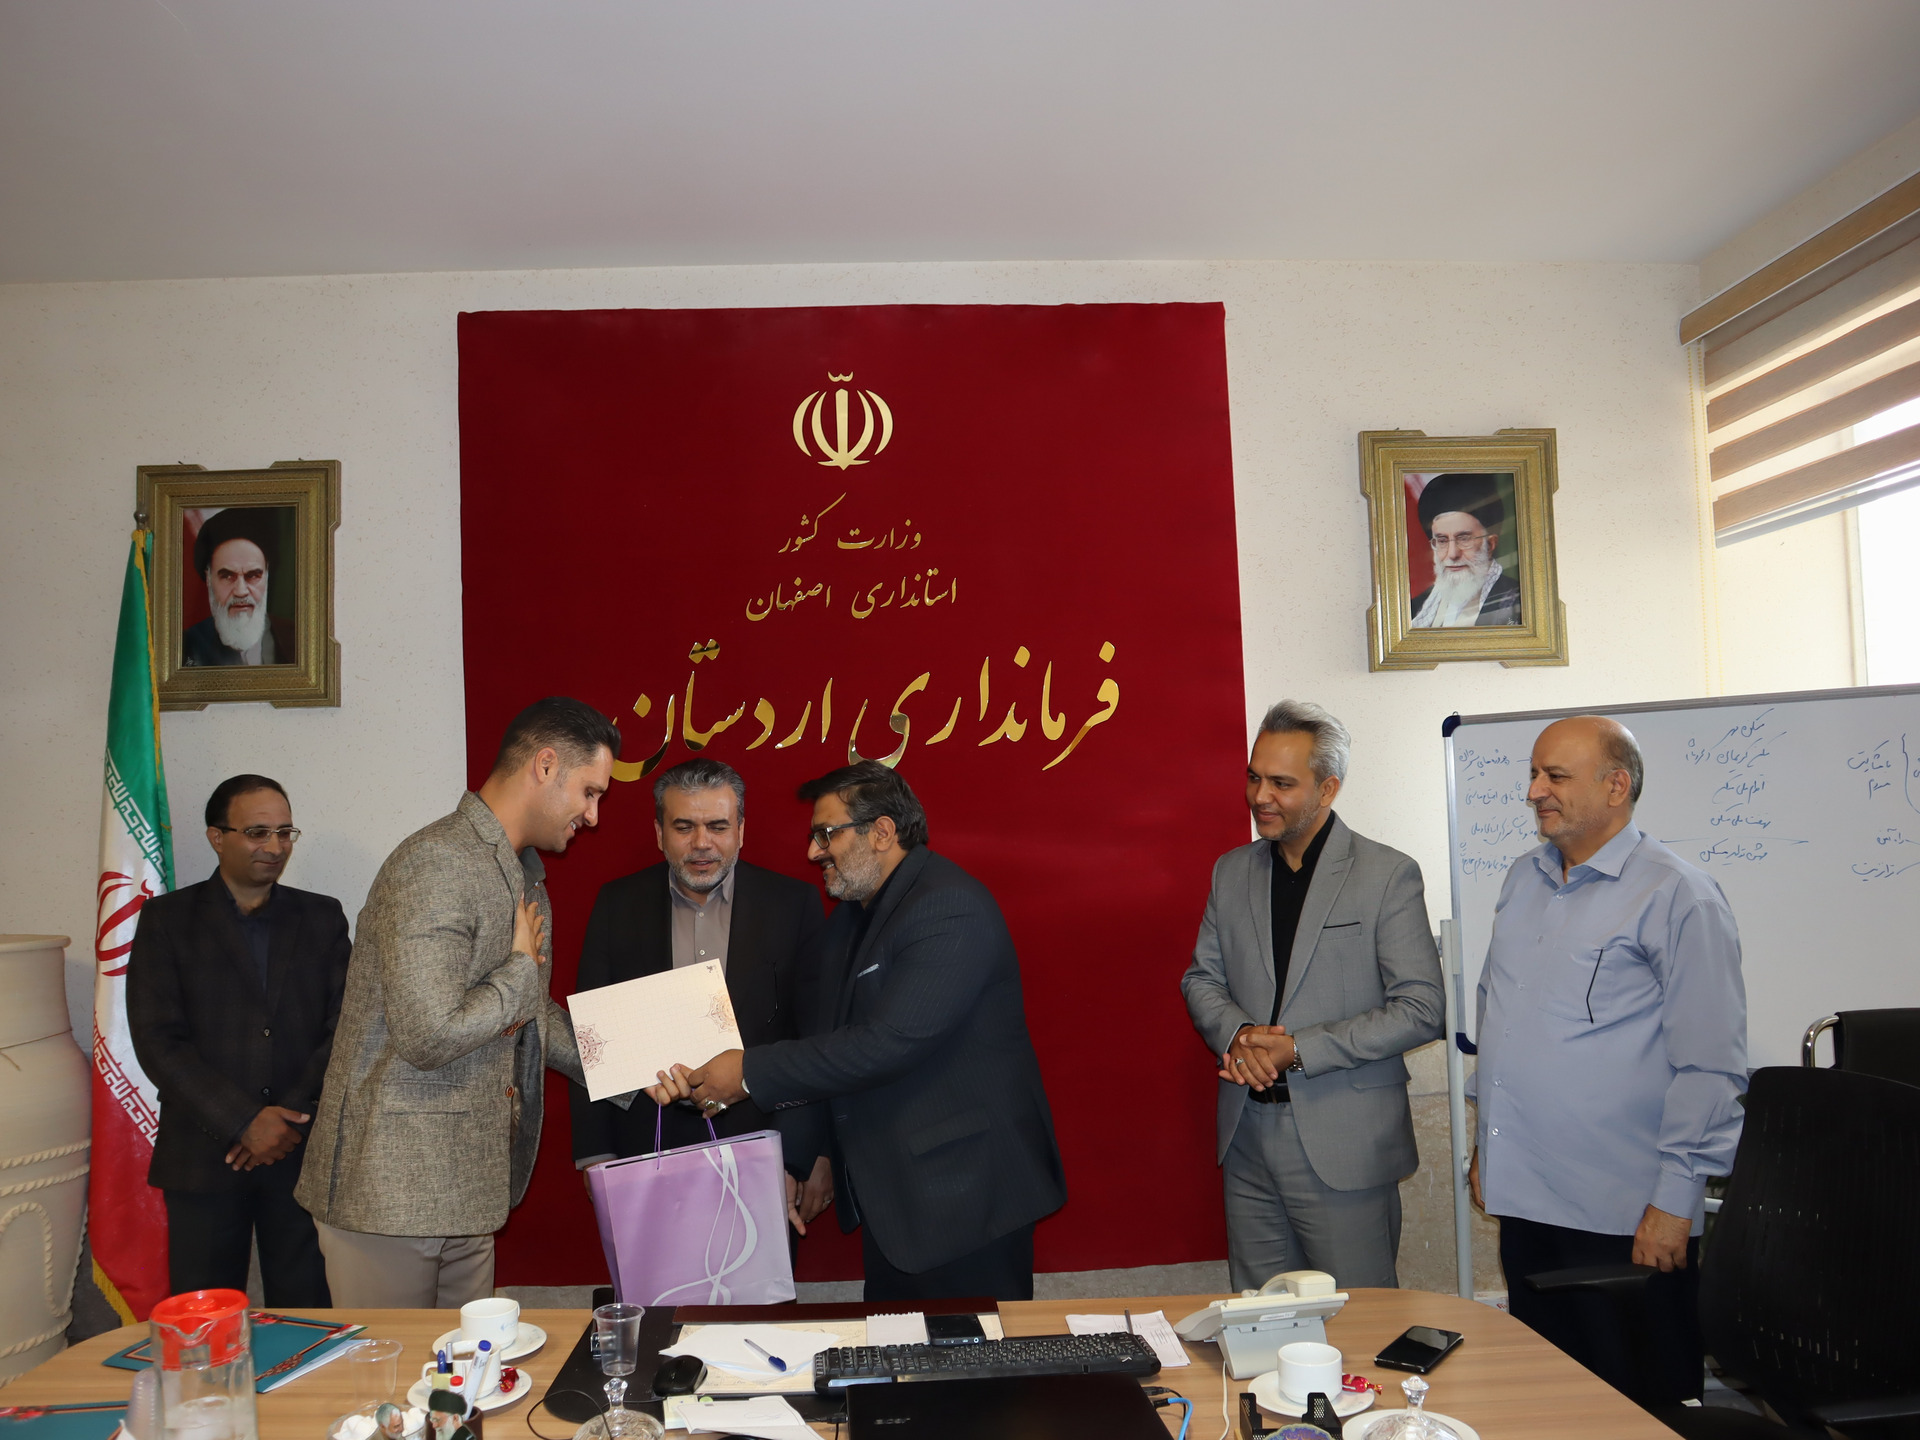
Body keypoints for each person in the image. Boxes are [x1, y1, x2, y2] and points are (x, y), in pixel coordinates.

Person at [647, 761, 1066, 1301]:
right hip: (901, 1202)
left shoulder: (947, 907)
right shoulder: (855, 915)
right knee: (898, 1350)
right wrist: (800, 1158)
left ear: (882, 832)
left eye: (827, 834)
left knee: (968, 1355)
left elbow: (886, 1044)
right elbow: (825, 1038)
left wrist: (747, 1072)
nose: (813, 852)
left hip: (966, 1198)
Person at [295, 696, 618, 1306]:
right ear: (546, 765)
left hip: (468, 1188)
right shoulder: (438, 862)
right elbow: (429, 1033)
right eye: (589, 792)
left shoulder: (519, 873)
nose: (593, 815)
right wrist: (520, 972)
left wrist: (634, 1064)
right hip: (390, 1193)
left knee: (469, 1368)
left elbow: (528, 1015)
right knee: (393, 1369)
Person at [1468, 716, 1746, 1406]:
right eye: (1534, 774)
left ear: (1616, 786)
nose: (1535, 790)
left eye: (1555, 776)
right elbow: (1501, 1017)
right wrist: (1486, 1146)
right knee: (1549, 1404)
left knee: (1637, 1406)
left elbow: (1710, 1064)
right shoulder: (1523, 879)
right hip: (1526, 1201)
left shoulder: (1677, 893)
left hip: (1625, 1218)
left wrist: (1676, 1202)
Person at [1181, 700, 1444, 1290]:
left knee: (1359, 1326)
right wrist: (1239, 1036)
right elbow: (1201, 979)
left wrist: (1297, 1050)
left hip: (1345, 1143)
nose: (1260, 796)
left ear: (1328, 789)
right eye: (1254, 777)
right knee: (1260, 1323)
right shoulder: (1231, 872)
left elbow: (1422, 1008)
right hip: (1247, 1138)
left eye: (1281, 783)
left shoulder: (1387, 874)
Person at [570, 757, 832, 1235]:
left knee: (758, 1285)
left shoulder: (793, 905)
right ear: (659, 833)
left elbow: (815, 1039)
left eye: (717, 826)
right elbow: (589, 1039)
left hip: (763, 1150)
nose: (701, 843)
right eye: (684, 827)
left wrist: (808, 1154)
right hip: (645, 1151)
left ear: (741, 830)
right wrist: (595, 1154)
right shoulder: (617, 904)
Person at [126, 774, 350, 1305]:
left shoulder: (321, 916)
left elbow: (345, 1026)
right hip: (204, 1154)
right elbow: (157, 1039)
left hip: (299, 1153)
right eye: (257, 832)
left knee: (308, 1316)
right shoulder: (167, 920)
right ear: (216, 837)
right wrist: (244, 1121)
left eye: (284, 832)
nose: (275, 846)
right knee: (205, 1321)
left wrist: (287, 1119)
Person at [182, 507, 296, 666]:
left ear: (267, 576)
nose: (241, 591)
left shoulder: (297, 639)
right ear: (208, 579)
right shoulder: (184, 648)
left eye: (253, 576)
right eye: (227, 576)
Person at [1407, 473, 1522, 628]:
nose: (1452, 554)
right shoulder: (1415, 609)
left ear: (1490, 544)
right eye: (1442, 541)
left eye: (1464, 539)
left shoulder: (1518, 603)